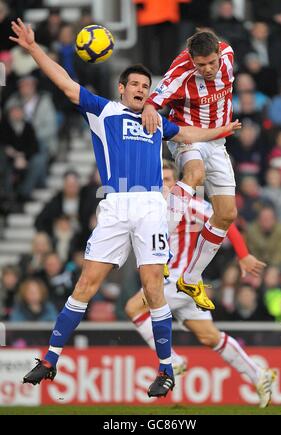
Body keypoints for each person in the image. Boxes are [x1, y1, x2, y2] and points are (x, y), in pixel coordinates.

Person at [10, 18, 240, 398]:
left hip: (151, 204)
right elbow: (65, 84)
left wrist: (220, 131)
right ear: (122, 89)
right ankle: (49, 359)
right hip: (115, 204)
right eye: (134, 85)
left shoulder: (155, 121)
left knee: (153, 289)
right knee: (86, 284)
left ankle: (166, 369)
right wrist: (34, 48)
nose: (140, 90)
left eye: (145, 87)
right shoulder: (103, 111)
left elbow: (189, 134)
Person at [125, 160, 276, 408]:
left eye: (168, 180)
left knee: (133, 308)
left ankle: (171, 360)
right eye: (160, 180)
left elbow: (225, 220)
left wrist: (243, 255)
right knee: (209, 336)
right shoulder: (154, 207)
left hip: (178, 279)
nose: (164, 184)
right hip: (180, 283)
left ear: (177, 183)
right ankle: (259, 375)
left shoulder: (191, 205)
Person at [142, 30, 238, 311]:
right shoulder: (181, 73)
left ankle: (192, 278)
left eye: (211, 63)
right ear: (192, 60)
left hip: (218, 142)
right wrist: (149, 108)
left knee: (227, 214)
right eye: (200, 65)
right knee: (194, 175)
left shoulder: (230, 54)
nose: (207, 69)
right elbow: (154, 100)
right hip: (189, 137)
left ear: (219, 54)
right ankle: (160, 251)